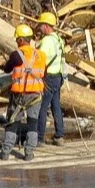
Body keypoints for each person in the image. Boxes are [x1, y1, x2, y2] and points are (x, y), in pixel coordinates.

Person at [0, 24, 46, 161]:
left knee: (13, 122)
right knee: (33, 123)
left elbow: (7, 69)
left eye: (17, 40)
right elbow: (44, 73)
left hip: (19, 95)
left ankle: (6, 151)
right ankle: (29, 153)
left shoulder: (17, 55)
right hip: (36, 95)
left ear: (20, 40)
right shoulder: (41, 55)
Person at [34, 10, 66, 146]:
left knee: (42, 107)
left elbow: (40, 60)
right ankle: (59, 136)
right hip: (58, 77)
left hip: (48, 78)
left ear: (46, 26)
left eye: (41, 25)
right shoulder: (59, 40)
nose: (39, 27)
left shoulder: (46, 41)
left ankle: (40, 138)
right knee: (56, 107)